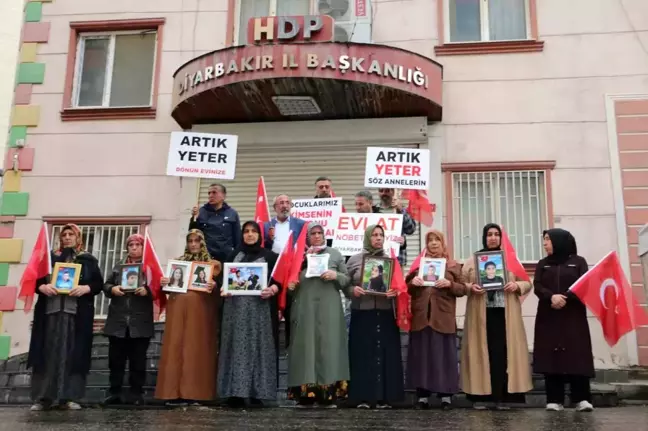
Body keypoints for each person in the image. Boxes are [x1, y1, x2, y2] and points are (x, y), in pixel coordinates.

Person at [27, 224, 104, 411]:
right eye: (64, 234)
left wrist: (86, 288)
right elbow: (36, 280)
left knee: (73, 354)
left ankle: (70, 397)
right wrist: (42, 288)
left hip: (77, 315)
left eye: (71, 234)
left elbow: (98, 283)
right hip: (50, 314)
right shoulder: (49, 259)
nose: (67, 237)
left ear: (79, 238)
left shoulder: (88, 260)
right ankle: (43, 398)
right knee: (47, 353)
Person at [461, 223, 533, 410]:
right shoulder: (473, 260)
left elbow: (526, 282)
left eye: (496, 234)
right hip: (481, 315)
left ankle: (505, 397)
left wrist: (517, 286)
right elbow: (461, 284)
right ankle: (482, 398)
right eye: (489, 234)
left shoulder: (511, 259)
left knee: (504, 354)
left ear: (501, 238)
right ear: (484, 237)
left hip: (505, 315)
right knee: (483, 355)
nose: (493, 238)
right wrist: (470, 288)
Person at [218, 221, 282, 408]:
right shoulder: (233, 255)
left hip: (259, 311)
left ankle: (256, 394)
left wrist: (273, 289)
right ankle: (234, 393)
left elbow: (280, 280)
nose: (250, 234)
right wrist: (223, 288)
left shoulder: (270, 256)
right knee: (234, 349)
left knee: (258, 348)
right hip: (235, 311)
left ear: (260, 236)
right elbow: (224, 279)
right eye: (246, 231)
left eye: (254, 231)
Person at [156, 229, 221, 408]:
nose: (193, 244)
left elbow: (219, 292)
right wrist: (164, 283)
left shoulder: (212, 265)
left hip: (200, 315)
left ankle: (194, 393)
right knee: (174, 349)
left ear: (202, 242)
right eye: (190, 241)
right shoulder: (178, 263)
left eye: (196, 241)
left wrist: (214, 285)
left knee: (196, 350)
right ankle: (171, 393)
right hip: (177, 312)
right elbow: (168, 289)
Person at [287, 222, 350, 408]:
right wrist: (290, 286)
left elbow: (346, 280)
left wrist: (335, 275)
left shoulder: (335, 254)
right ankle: (305, 396)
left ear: (324, 235)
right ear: (307, 237)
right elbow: (290, 283)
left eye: (319, 233)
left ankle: (327, 396)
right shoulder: (298, 256)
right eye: (312, 233)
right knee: (305, 350)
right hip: (305, 308)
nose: (316, 236)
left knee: (328, 349)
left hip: (329, 308)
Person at [533, 228, 594, 412]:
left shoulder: (578, 262)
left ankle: (581, 398)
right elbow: (537, 285)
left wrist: (565, 297)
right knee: (552, 355)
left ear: (559, 241)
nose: (544, 243)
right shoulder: (543, 264)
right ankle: (554, 399)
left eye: (548, 240)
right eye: (544, 240)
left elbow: (585, 283)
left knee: (577, 354)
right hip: (548, 315)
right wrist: (551, 297)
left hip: (572, 316)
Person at [406, 230, 465, 410]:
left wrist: (450, 284)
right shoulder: (419, 266)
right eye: (430, 240)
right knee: (422, 357)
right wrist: (412, 283)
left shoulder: (453, 266)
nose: (433, 243)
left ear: (442, 243)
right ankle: (422, 396)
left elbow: (463, 289)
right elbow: (407, 288)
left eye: (437, 240)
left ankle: (445, 396)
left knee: (443, 358)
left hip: (443, 318)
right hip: (421, 318)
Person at [346, 225, 404, 409]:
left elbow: (400, 286)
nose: (378, 238)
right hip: (362, 312)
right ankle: (362, 397)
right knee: (362, 354)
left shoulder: (391, 260)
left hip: (385, 313)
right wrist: (353, 290)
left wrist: (394, 292)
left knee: (385, 355)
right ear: (367, 237)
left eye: (381, 235)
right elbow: (345, 285)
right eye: (374, 235)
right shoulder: (354, 260)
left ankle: (384, 398)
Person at [103, 233, 155, 406]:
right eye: (130, 245)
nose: (133, 248)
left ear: (143, 247)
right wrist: (113, 288)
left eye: (137, 245)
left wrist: (147, 291)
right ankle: (114, 393)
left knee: (138, 361)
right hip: (118, 323)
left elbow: (159, 289)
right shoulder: (119, 266)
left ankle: (136, 394)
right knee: (116, 361)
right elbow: (106, 285)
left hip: (140, 324)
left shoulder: (149, 267)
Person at [263, 194, 305, 348]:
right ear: (275, 207)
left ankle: (290, 347)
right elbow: (262, 246)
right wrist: (268, 239)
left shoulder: (300, 224)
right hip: (272, 272)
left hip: (291, 272)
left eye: (288, 203)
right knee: (272, 309)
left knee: (290, 310)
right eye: (281, 203)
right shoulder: (266, 226)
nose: (285, 206)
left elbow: (304, 245)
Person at [190, 183, 241, 263]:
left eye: (214, 192)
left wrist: (237, 259)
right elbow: (192, 234)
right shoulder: (201, 212)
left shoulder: (232, 213)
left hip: (226, 259)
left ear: (223, 196)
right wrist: (194, 218)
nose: (210, 195)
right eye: (209, 193)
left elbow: (237, 240)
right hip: (205, 258)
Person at [377, 188, 416, 266]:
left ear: (393, 192)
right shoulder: (374, 210)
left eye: (387, 191)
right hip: (376, 258)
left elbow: (410, 229)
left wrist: (401, 210)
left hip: (397, 259)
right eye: (381, 191)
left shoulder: (401, 210)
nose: (384, 193)